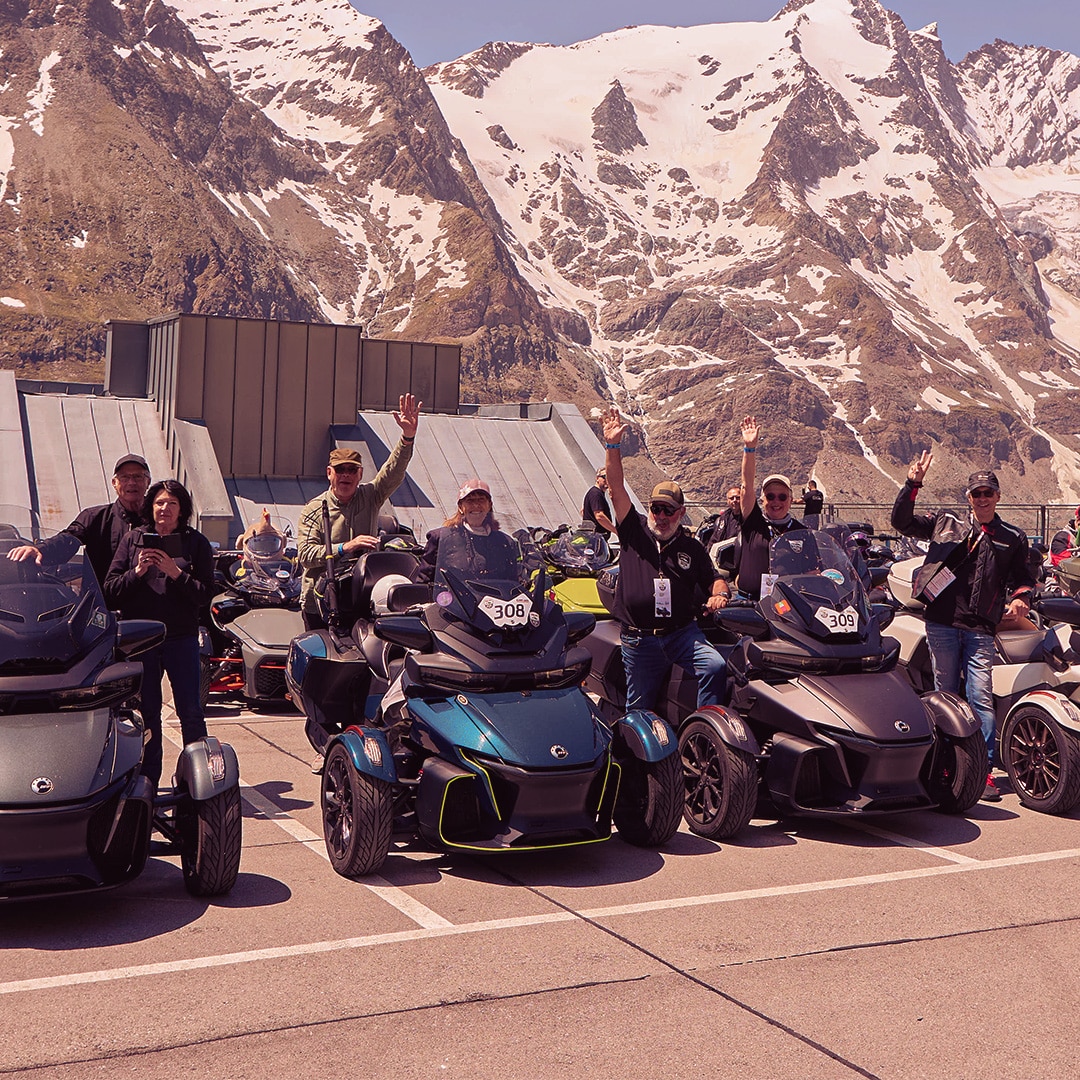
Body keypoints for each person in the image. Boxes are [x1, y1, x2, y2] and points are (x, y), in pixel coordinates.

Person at [891, 454, 1036, 802]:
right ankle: (945, 764)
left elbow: (1025, 579)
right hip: (941, 624)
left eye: (988, 492)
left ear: (997, 496)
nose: (982, 498)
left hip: (981, 629)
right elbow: (901, 522)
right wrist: (912, 484)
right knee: (946, 697)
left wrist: (1021, 600)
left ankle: (982, 771)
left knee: (980, 697)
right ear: (968, 498)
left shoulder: (1013, 537)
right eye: (976, 493)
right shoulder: (945, 522)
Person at [600, 406, 729, 712]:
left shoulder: (692, 546)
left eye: (668, 510)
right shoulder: (633, 530)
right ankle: (639, 757)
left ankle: (703, 728)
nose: (660, 516)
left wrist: (721, 594)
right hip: (639, 640)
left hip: (682, 635)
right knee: (639, 709)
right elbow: (616, 487)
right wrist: (612, 446)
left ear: (681, 513)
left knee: (716, 666)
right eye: (656, 508)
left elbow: (713, 579)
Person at [104, 480, 215, 788]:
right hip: (142, 641)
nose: (164, 509)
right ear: (150, 507)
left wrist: (176, 573)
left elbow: (205, 594)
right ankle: (149, 779)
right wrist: (137, 572)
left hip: (181, 638)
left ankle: (198, 781)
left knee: (190, 711)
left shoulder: (196, 543)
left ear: (182, 510)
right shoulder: (133, 540)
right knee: (148, 711)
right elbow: (111, 590)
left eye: (171, 504)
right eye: (159, 503)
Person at [297, 393, 421, 630]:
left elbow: (393, 471)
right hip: (320, 603)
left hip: (360, 598)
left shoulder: (370, 496)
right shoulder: (314, 510)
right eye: (340, 470)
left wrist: (407, 437)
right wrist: (346, 547)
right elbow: (305, 556)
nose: (346, 475)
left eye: (352, 470)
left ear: (360, 475)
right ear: (329, 473)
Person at [6, 453, 151, 584]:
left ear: (148, 482)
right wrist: (39, 550)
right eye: (124, 477)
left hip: (146, 605)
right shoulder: (94, 517)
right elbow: (68, 539)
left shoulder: (160, 520)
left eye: (138, 477)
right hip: (101, 604)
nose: (131, 483)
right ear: (114, 483)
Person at [735, 417, 807, 600]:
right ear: (762, 499)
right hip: (749, 601)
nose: (776, 501)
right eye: (770, 496)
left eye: (782, 496)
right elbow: (747, 485)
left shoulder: (802, 532)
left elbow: (812, 570)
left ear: (791, 500)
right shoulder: (753, 521)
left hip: (788, 604)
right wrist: (749, 449)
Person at [415, 479, 510, 583]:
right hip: (453, 599)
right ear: (460, 507)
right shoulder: (440, 538)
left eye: (481, 500)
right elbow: (424, 581)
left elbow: (513, 583)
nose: (476, 505)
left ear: (490, 505)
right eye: (470, 500)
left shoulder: (505, 542)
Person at [581, 467, 615, 538]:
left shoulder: (595, 493)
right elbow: (599, 516)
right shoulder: (596, 494)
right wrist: (616, 531)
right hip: (595, 538)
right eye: (605, 477)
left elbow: (583, 511)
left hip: (593, 537)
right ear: (597, 478)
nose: (607, 480)